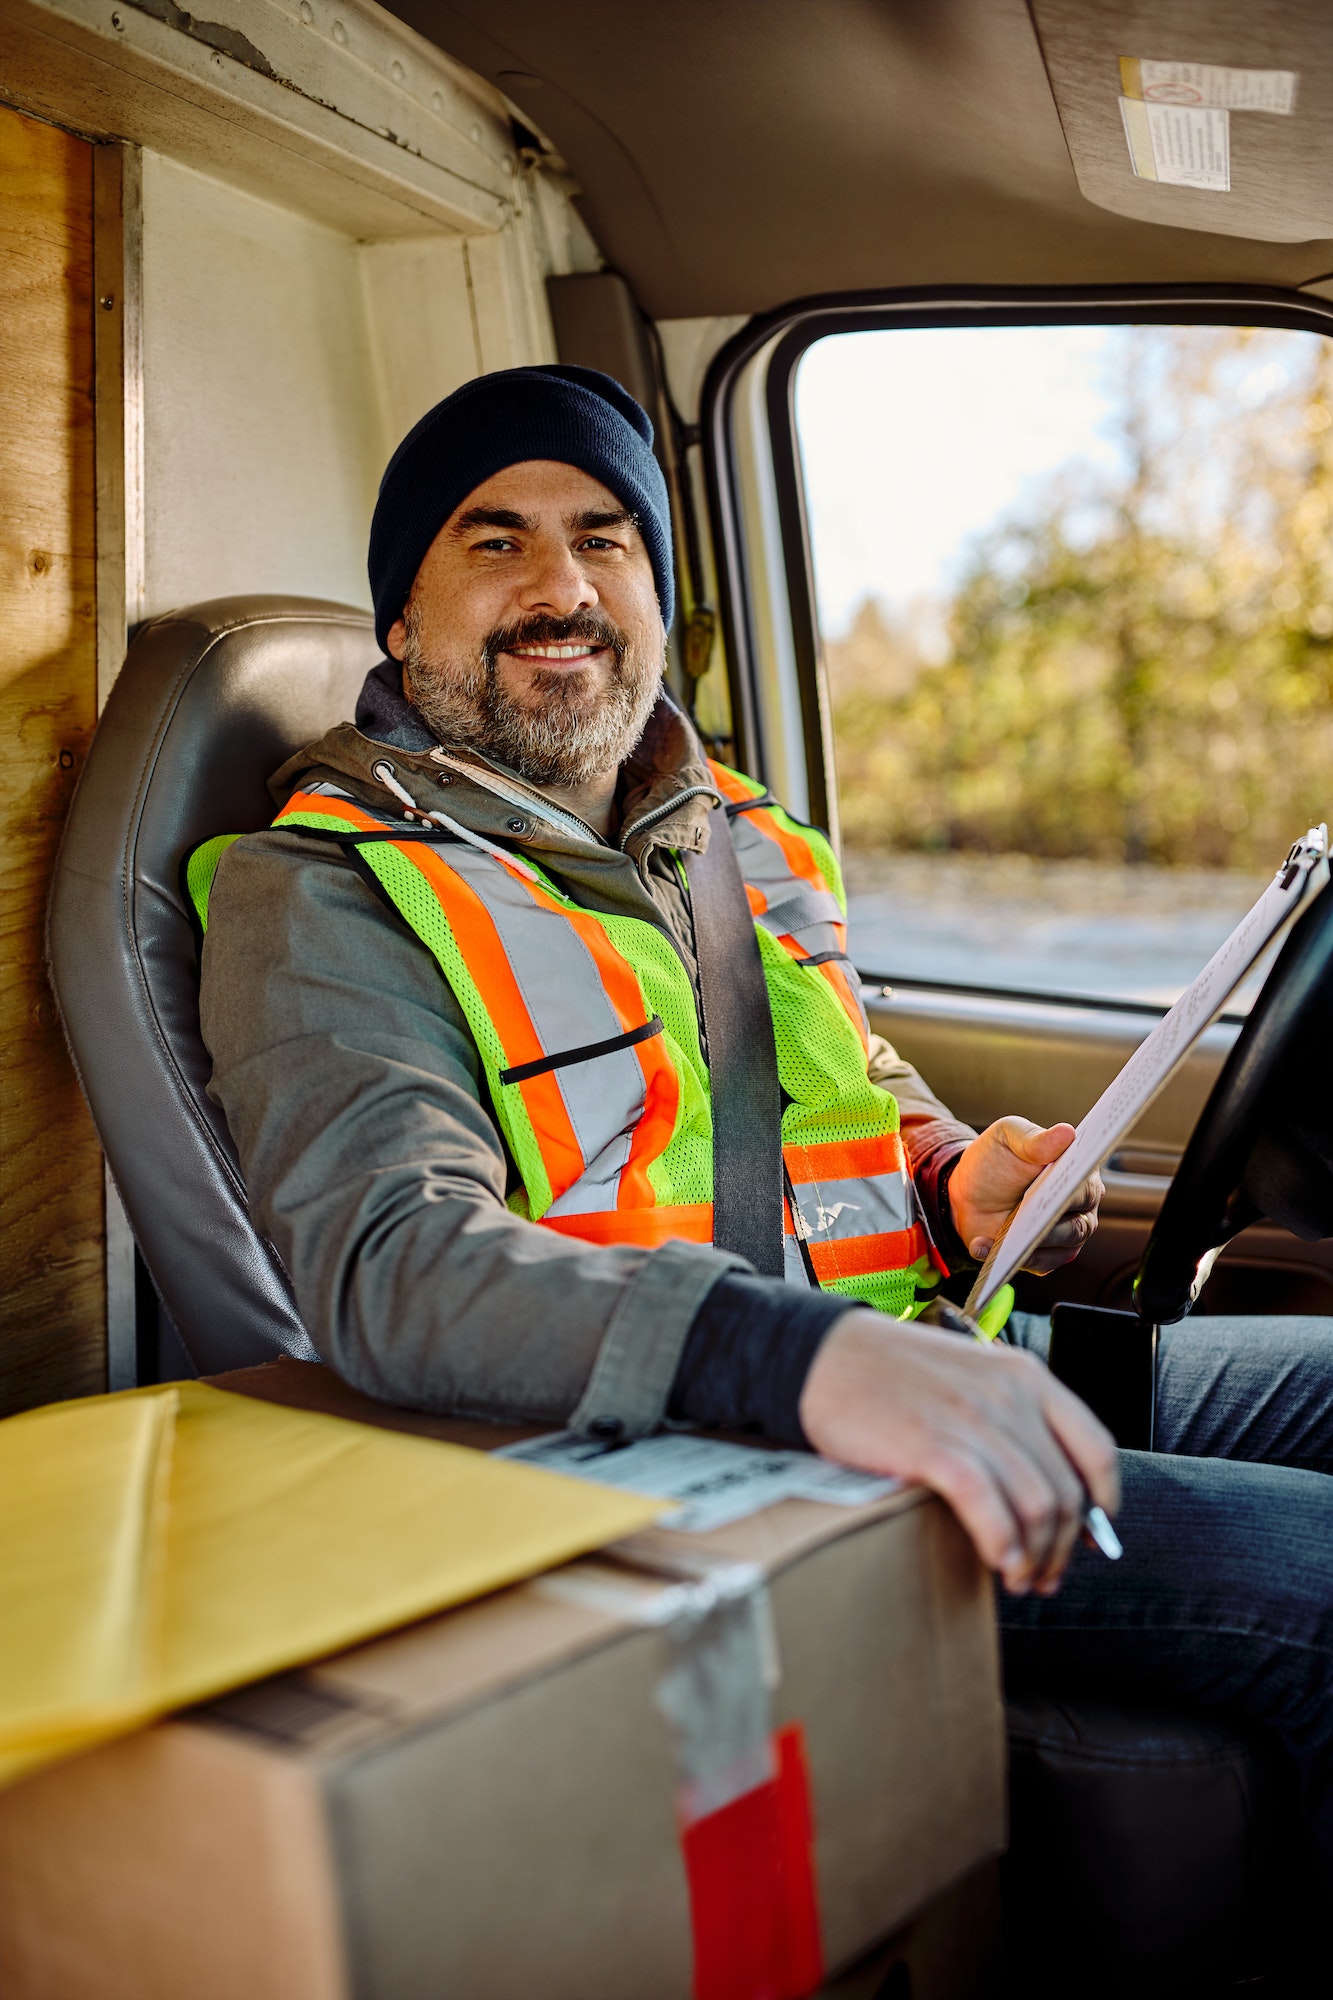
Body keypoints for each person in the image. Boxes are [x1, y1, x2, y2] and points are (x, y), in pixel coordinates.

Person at [198, 366, 1333, 1880]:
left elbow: (857, 1100)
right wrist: (802, 1355)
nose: (562, 586)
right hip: (679, 1464)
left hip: (927, 1352)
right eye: (494, 541)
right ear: (399, 622)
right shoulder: (322, 888)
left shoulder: (734, 834)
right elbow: (392, 1265)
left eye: (606, 540)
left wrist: (957, 1189)